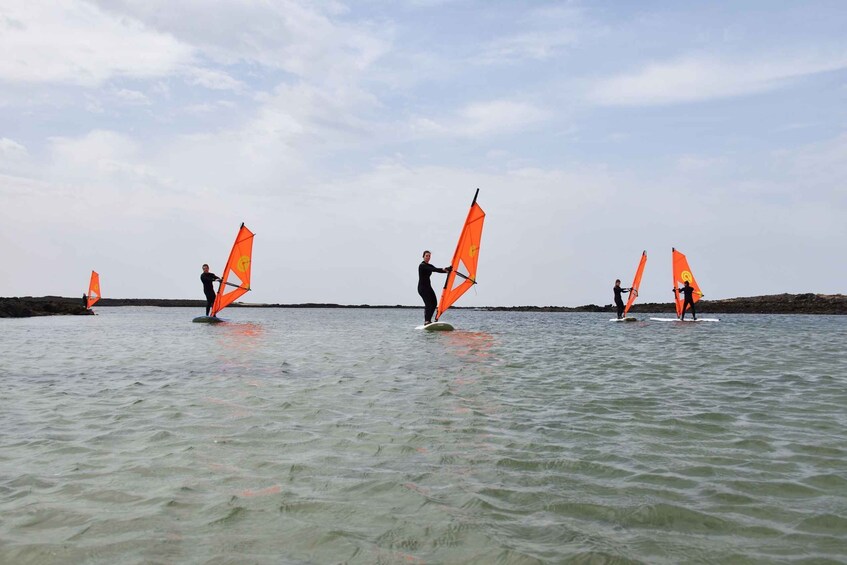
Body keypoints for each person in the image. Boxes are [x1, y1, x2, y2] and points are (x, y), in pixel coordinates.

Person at [418, 250, 452, 325]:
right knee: (428, 303)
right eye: (426, 256)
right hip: (422, 288)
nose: (428, 257)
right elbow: (434, 269)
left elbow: (437, 270)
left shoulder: (429, 265)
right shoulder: (422, 265)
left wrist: (448, 270)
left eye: (429, 256)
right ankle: (426, 321)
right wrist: (444, 269)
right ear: (423, 256)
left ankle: (429, 320)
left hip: (428, 287)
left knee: (434, 303)